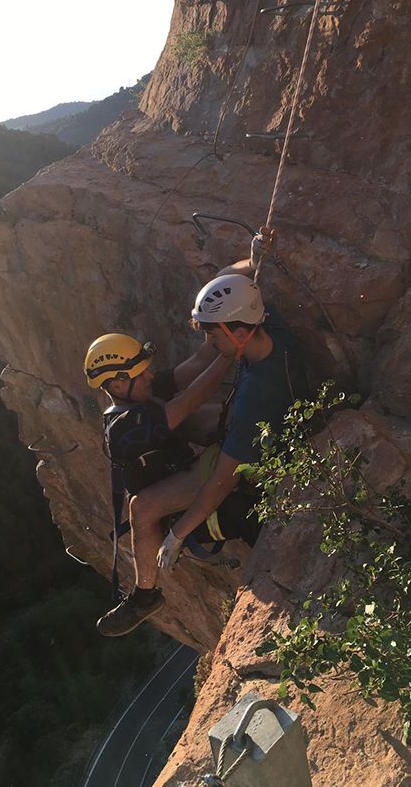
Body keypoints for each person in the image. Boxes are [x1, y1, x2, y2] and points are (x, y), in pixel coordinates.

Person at [87, 231, 309, 637]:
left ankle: (146, 589)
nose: (151, 373)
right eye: (140, 373)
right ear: (118, 385)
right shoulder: (124, 428)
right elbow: (187, 399)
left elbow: (196, 365)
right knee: (141, 507)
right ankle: (145, 592)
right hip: (176, 473)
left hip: (200, 455)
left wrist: (251, 261)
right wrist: (231, 350)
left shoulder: (150, 392)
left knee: (207, 422)